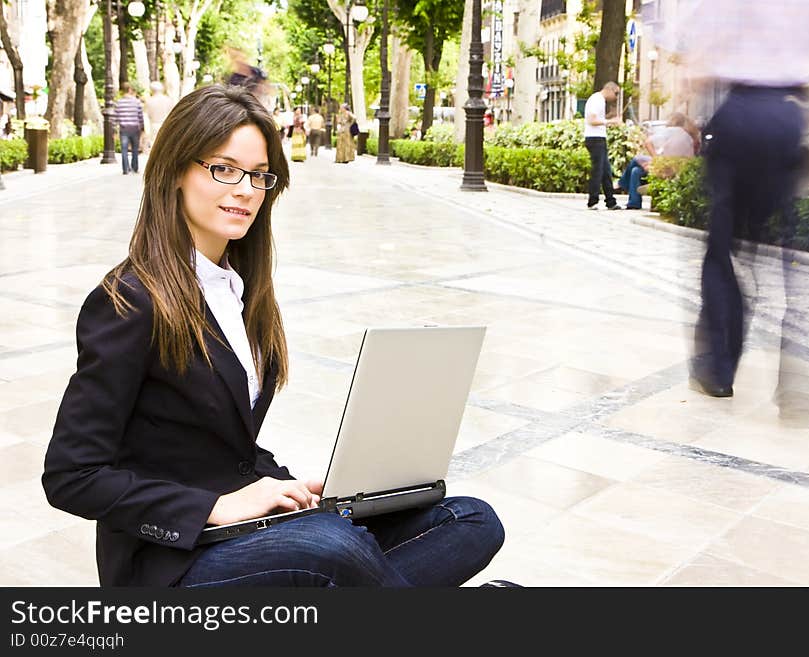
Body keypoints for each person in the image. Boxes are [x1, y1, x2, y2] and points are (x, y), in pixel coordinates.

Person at [41, 84, 505, 587]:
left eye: (259, 176)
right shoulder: (128, 300)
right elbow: (71, 475)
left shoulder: (239, 291)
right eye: (223, 169)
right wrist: (217, 506)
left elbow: (220, 442)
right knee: (331, 548)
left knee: (471, 519)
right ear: (175, 169)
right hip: (173, 559)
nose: (244, 189)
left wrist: (287, 487)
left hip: (247, 530)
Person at [671, 0, 809, 406]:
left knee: (724, 248)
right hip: (790, 115)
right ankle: (798, 374)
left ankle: (718, 369)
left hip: (740, 111)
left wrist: (690, 78)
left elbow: (700, 47)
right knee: (794, 243)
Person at [617, 112, 697, 210]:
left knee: (636, 158)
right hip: (676, 167)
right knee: (636, 171)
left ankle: (622, 184)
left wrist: (656, 160)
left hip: (665, 166)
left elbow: (648, 142)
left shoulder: (671, 131)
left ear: (673, 121)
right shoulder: (688, 136)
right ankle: (633, 202)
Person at [584, 81, 623, 211]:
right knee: (598, 171)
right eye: (616, 93)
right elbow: (592, 120)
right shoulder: (597, 99)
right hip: (595, 139)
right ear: (610, 89)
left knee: (606, 171)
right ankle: (592, 201)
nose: (616, 97)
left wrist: (608, 118)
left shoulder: (598, 100)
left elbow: (596, 118)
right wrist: (610, 121)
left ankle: (610, 201)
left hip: (599, 138)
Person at [114, 82, 144, 175]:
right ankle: (135, 168)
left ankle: (125, 169)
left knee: (124, 149)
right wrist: (142, 128)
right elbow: (140, 116)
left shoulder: (119, 102)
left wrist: (114, 130)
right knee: (135, 148)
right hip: (135, 128)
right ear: (130, 90)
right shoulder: (136, 102)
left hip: (124, 128)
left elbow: (116, 117)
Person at [143, 81, 175, 150]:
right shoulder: (169, 100)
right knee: (166, 145)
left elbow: (146, 117)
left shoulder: (149, 101)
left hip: (154, 126)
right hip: (166, 125)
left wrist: (146, 131)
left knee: (154, 146)